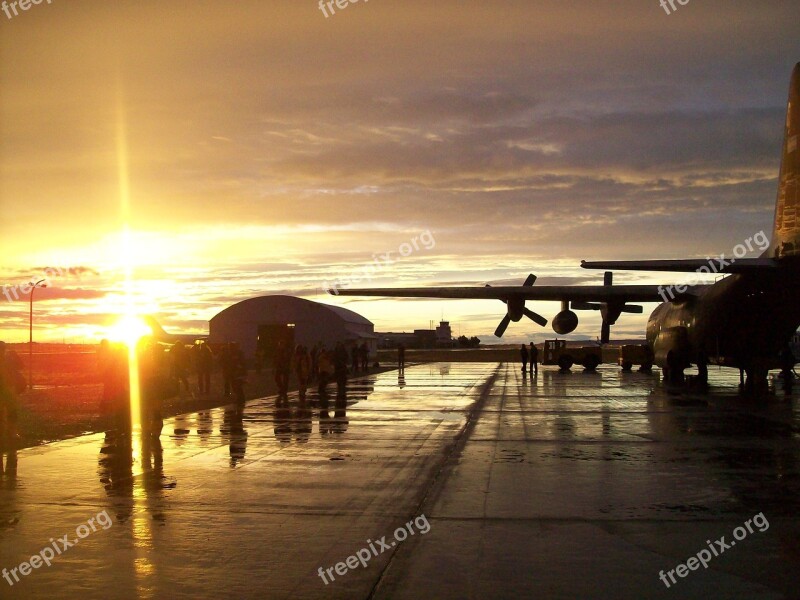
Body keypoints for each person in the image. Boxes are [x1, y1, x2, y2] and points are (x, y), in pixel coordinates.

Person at [274, 340, 292, 406]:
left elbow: (288, 359)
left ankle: (284, 389)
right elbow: (276, 358)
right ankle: (282, 388)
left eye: (281, 344)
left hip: (285, 367)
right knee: (277, 378)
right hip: (280, 367)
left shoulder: (286, 351)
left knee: (285, 379)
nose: (280, 346)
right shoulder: (278, 351)